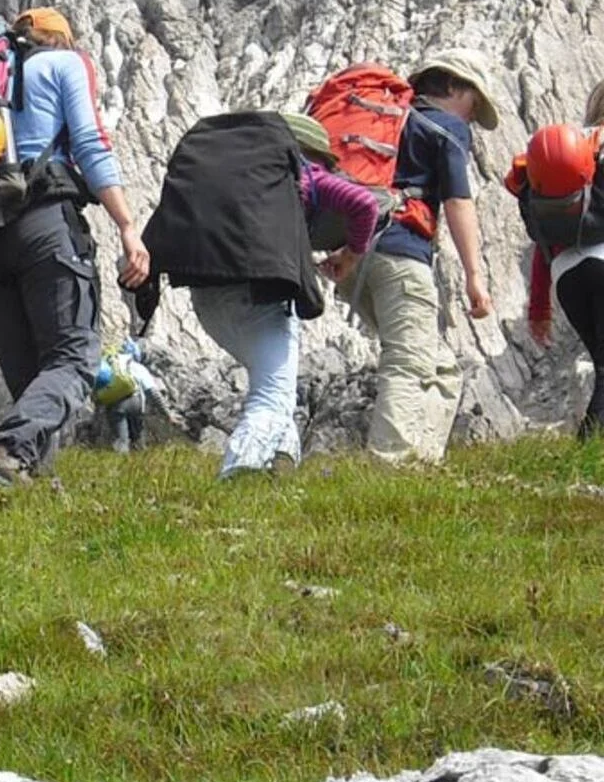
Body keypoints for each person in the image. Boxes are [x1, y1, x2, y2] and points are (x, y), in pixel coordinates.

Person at [0, 7, 149, 489]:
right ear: (61, 39)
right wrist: (127, 226)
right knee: (74, 357)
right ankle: (7, 451)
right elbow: (89, 142)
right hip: (42, 221)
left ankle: (27, 486)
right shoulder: (64, 63)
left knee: (29, 377)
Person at [143, 109, 379, 478]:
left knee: (273, 377)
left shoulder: (233, 177)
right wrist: (351, 255)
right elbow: (365, 205)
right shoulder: (305, 173)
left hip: (205, 296)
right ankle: (241, 470)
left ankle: (281, 463)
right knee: (272, 392)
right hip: (259, 294)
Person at [337, 48, 500, 463]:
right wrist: (474, 275)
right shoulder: (446, 126)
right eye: (474, 103)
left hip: (352, 259)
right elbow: (458, 201)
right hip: (400, 254)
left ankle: (421, 465)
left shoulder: (385, 119)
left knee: (441, 368)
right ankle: (388, 470)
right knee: (407, 363)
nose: (472, 117)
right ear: (452, 85)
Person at [510, 105, 604, 439]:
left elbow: (542, 243)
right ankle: (588, 448)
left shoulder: (569, 157)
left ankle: (590, 448)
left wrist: (539, 308)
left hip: (566, 277)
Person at [94, 338, 169, 453]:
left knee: (121, 440)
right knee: (137, 436)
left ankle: (121, 458)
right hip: (135, 402)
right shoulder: (137, 367)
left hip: (114, 405)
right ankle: (139, 454)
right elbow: (153, 393)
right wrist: (167, 414)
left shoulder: (112, 363)